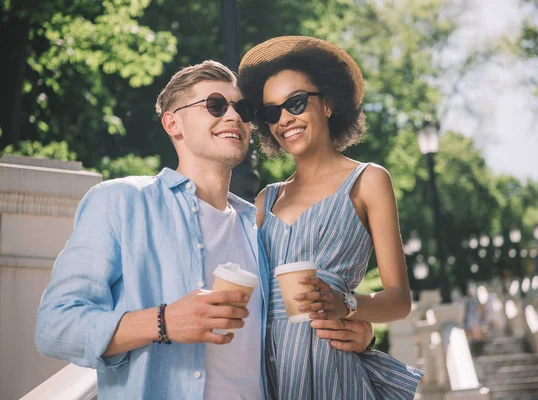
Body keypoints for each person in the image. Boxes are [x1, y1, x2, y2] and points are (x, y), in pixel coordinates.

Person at [35, 60, 373, 399]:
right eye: (215, 105)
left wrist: (360, 332)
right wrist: (163, 322)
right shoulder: (121, 202)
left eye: (241, 108)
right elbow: (55, 327)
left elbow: (285, 325)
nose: (233, 116)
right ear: (173, 123)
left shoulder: (257, 224)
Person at [238, 36, 424, 400]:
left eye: (295, 102)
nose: (285, 119)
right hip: (268, 370)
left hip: (332, 364)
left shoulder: (369, 181)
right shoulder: (265, 199)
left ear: (327, 103)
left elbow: (399, 299)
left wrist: (351, 308)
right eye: (272, 112)